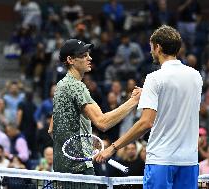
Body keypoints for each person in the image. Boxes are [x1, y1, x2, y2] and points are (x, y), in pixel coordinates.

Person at [95, 25, 203, 189]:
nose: (151, 51)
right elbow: (177, 98)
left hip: (161, 161)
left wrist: (113, 148)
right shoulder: (196, 76)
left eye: (151, 47)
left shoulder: (154, 78)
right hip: (189, 161)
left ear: (158, 47)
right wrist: (148, 94)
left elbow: (146, 123)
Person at [48, 38, 141, 175]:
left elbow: (51, 130)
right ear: (70, 60)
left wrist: (74, 147)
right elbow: (102, 123)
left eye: (88, 54)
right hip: (79, 169)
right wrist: (133, 101)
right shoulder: (76, 86)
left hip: (61, 165)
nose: (89, 58)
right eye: (84, 56)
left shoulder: (60, 86)